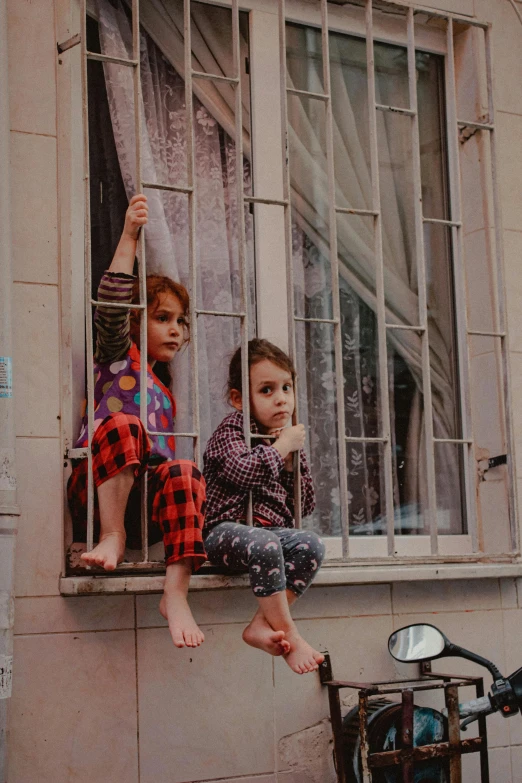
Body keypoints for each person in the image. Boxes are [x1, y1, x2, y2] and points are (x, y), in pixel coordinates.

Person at [67, 194, 207, 650]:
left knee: (185, 470)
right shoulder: (116, 358)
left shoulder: (163, 387)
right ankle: (111, 536)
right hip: (96, 488)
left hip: (139, 498)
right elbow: (111, 305)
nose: (176, 330)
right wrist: (129, 234)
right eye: (162, 318)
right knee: (127, 425)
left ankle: (176, 590)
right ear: (133, 323)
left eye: (181, 322)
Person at [203, 339, 325, 674]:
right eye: (267, 390)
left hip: (264, 540)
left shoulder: (281, 438)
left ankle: (261, 624)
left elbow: (307, 503)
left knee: (311, 544)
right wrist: (281, 447)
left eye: (286, 387)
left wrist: (290, 460)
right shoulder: (231, 430)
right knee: (266, 541)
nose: (281, 398)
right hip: (222, 534)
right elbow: (242, 472)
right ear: (239, 399)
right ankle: (292, 634)